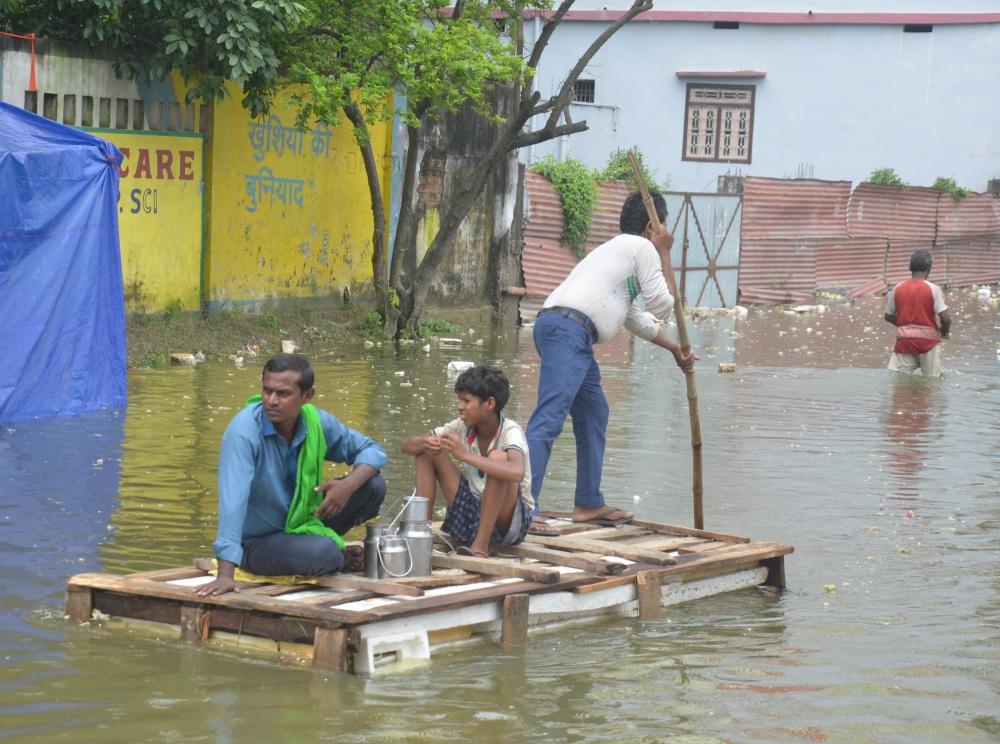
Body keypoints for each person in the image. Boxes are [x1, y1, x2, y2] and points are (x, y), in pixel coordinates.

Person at [525, 191, 698, 534]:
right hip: (568, 331)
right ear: (653, 226)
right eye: (664, 226)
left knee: (594, 412)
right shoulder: (643, 248)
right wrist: (663, 249)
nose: (667, 232)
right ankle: (521, 510)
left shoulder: (620, 252)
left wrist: (674, 348)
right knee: (549, 419)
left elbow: (635, 317)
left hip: (569, 331)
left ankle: (588, 502)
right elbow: (663, 306)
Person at [196, 354, 387, 596]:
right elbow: (233, 503)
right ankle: (331, 555)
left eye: (283, 394)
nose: (271, 401)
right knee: (324, 554)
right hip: (257, 543)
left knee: (373, 485)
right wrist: (225, 575)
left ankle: (315, 549)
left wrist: (347, 485)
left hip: (304, 523)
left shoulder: (315, 422)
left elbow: (373, 451)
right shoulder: (243, 433)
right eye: (267, 391)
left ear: (307, 396)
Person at [401, 366, 532, 559]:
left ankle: (480, 547)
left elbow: (517, 472)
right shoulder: (462, 426)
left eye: (466, 401)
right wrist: (424, 442)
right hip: (473, 513)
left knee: (498, 459)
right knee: (427, 451)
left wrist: (464, 455)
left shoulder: (510, 432)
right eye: (459, 400)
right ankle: (421, 535)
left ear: (489, 404)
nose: (459, 406)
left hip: (509, 524)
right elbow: (406, 447)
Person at [884, 250, 951, 378]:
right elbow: (946, 319)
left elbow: (888, 316)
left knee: (899, 379)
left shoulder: (898, 288)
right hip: (928, 342)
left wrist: (905, 325)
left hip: (905, 341)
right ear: (929, 269)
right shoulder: (934, 289)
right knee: (932, 382)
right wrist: (944, 332)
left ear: (910, 268)